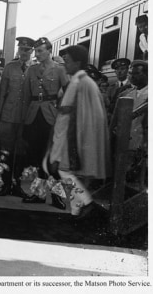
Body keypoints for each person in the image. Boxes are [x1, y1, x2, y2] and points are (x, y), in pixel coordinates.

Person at [45, 45, 110, 218]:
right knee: (73, 174)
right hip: (79, 135)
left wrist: (58, 141)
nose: (64, 65)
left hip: (72, 136)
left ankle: (86, 202)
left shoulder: (78, 82)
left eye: (67, 61)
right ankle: (75, 211)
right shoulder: (84, 81)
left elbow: (66, 114)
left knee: (64, 171)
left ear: (77, 62)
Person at [22, 37, 69, 207]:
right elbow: (26, 96)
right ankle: (39, 194)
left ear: (50, 50)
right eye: (36, 51)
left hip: (51, 116)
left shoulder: (59, 69)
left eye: (41, 50)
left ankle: (56, 196)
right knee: (37, 156)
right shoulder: (31, 70)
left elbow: (68, 92)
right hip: (34, 116)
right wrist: (23, 118)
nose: (37, 54)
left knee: (52, 158)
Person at [0, 37, 35, 197]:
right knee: (6, 151)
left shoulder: (36, 69)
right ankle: (5, 184)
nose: (24, 52)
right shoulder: (10, 68)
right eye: (22, 49)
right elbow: (2, 93)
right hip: (8, 115)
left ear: (32, 51)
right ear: (18, 50)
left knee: (20, 152)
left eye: (28, 50)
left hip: (26, 117)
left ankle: (16, 184)